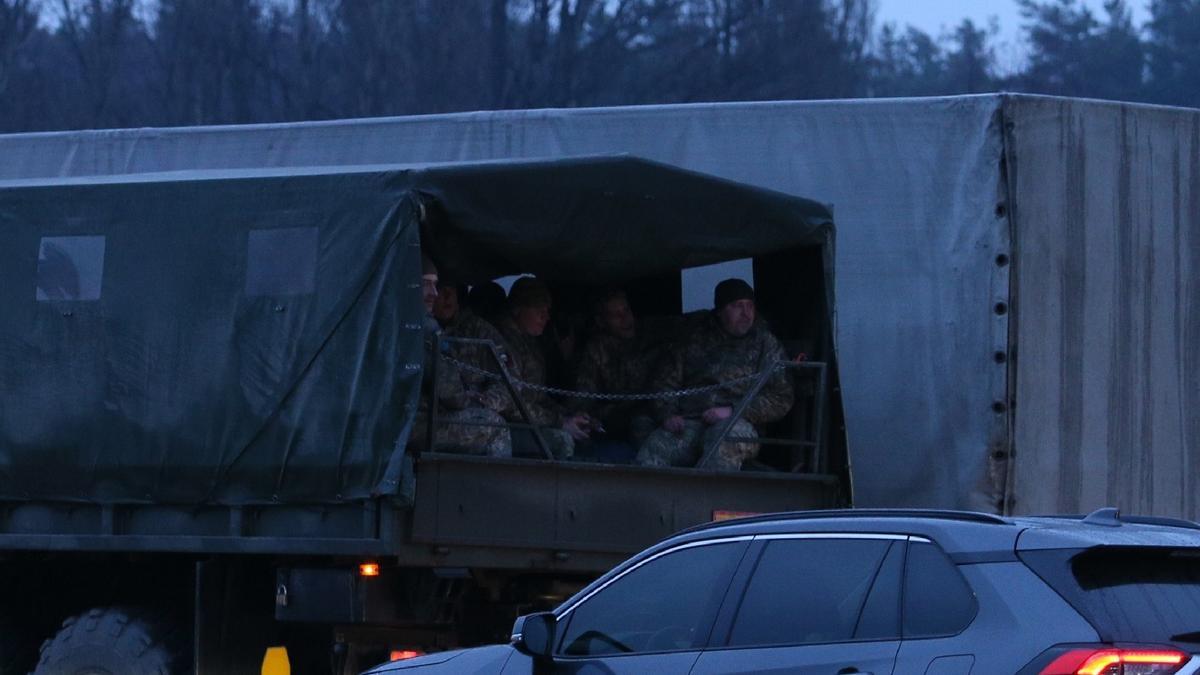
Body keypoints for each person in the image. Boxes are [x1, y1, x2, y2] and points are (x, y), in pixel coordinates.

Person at [637, 278, 793, 471]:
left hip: (739, 424)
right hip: (692, 422)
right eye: (737, 306)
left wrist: (734, 410)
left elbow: (781, 398)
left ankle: (706, 499)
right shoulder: (694, 338)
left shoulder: (766, 344)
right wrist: (667, 414)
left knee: (723, 441)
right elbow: (664, 382)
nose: (746, 314)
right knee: (656, 447)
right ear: (720, 311)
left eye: (750, 306)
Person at [411, 255, 512, 458]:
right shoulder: (426, 327)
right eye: (426, 285)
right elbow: (450, 391)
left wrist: (484, 400)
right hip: (417, 421)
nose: (439, 295)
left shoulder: (479, 330)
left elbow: (508, 383)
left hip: (412, 419)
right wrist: (467, 400)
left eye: (440, 287)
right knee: (496, 427)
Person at [493, 276, 592, 459]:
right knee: (562, 440)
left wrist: (569, 415)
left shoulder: (529, 341)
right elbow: (512, 404)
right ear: (518, 309)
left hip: (529, 422)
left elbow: (537, 395)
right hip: (506, 427)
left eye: (547, 310)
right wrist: (560, 422)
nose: (545, 317)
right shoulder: (502, 340)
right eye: (539, 310)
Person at [572, 289, 658, 460]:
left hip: (651, 411)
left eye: (626, 310)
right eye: (616, 315)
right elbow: (584, 393)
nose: (625, 319)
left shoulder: (651, 335)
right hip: (611, 416)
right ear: (602, 321)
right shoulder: (596, 349)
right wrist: (584, 417)